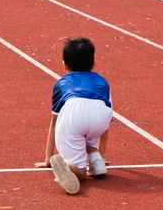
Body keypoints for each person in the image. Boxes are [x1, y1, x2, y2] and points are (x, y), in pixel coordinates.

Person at [34, 37, 113, 194]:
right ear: (93, 62)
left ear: (65, 64)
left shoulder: (61, 83)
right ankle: (97, 161)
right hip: (100, 119)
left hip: (74, 114)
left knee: (81, 172)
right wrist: (101, 153)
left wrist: (48, 158)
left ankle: (70, 168)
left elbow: (54, 120)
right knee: (89, 131)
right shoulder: (103, 82)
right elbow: (108, 117)